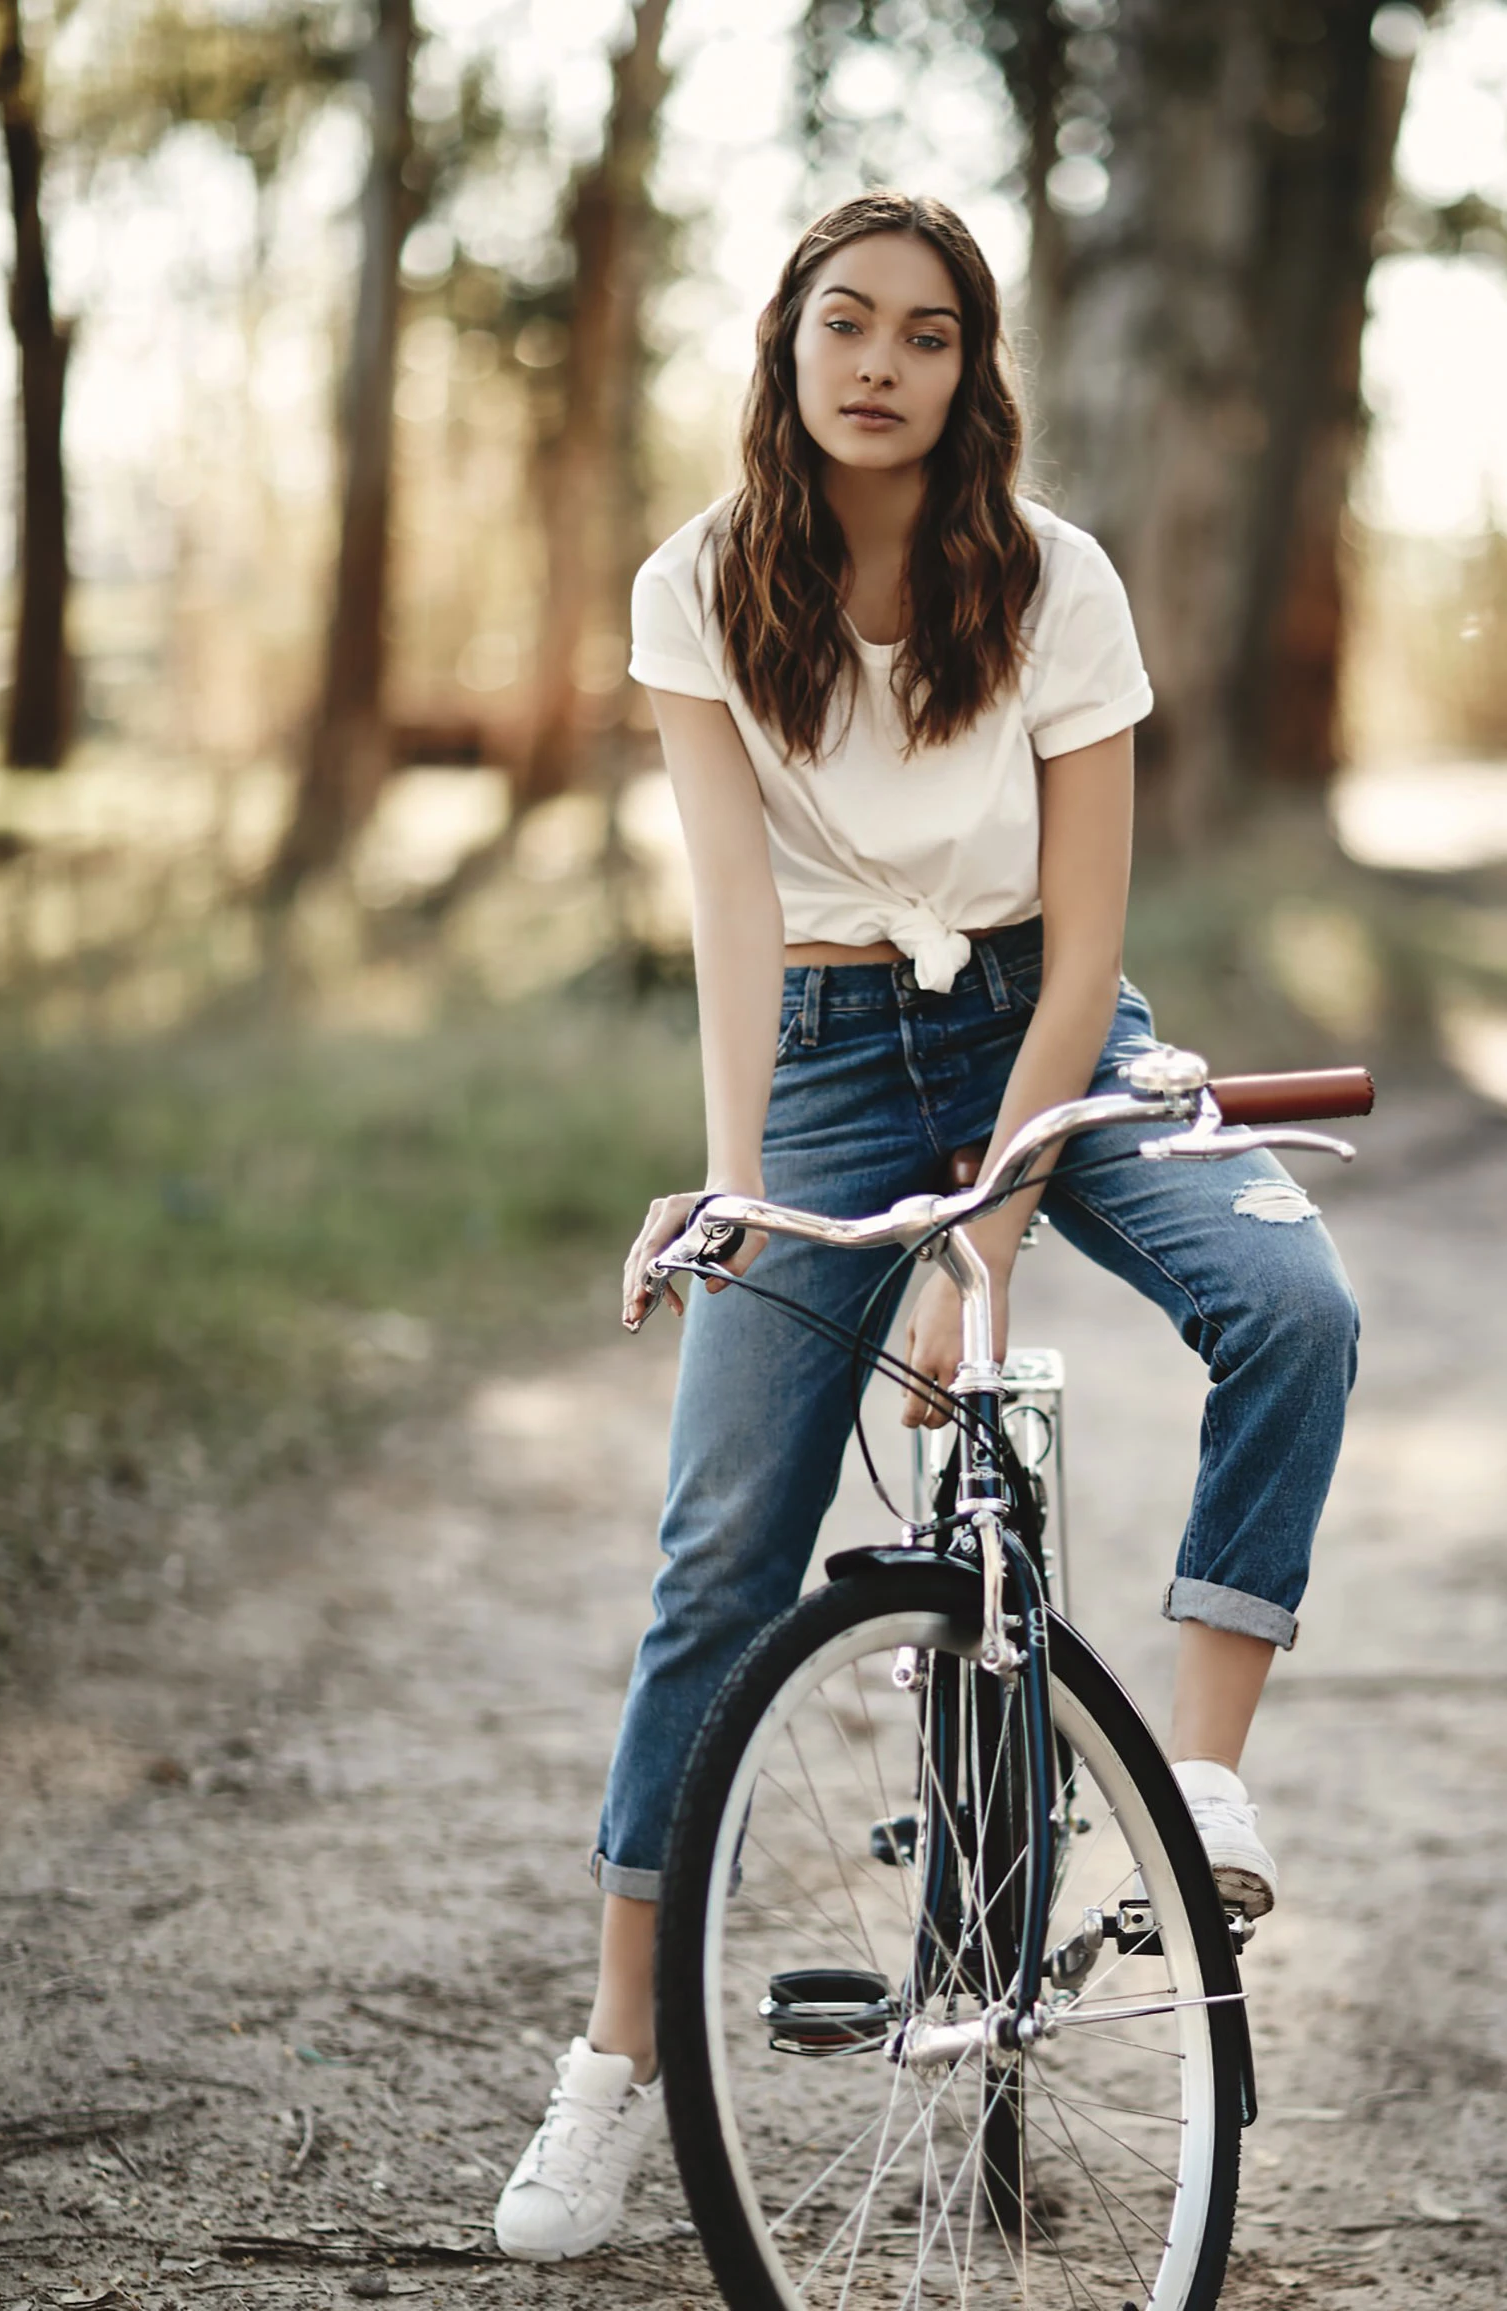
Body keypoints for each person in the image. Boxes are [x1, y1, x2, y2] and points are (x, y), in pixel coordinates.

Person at [492, 190, 1359, 2264]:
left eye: (931, 335)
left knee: (1294, 1302)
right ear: (786, 349)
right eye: (846, 325)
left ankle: (1203, 1790)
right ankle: (617, 2064)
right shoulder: (696, 588)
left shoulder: (1058, 583)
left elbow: (1088, 941)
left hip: (1047, 1022)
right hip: (814, 1047)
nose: (883, 365)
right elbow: (723, 912)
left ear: (977, 371)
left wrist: (992, 1245)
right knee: (718, 1561)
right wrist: (731, 1180)